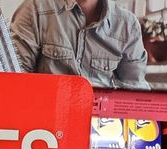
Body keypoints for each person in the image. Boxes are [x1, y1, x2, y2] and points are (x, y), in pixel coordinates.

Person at [10, 0, 149, 89]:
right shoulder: (34, 11)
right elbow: (15, 82)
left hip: (100, 126)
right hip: (46, 123)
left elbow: (135, 90)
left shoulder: (127, 24)